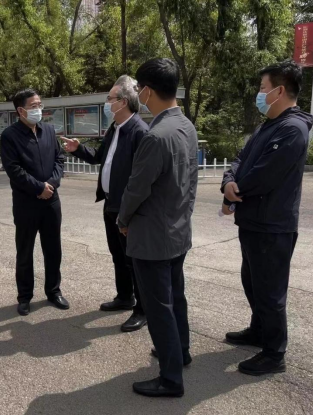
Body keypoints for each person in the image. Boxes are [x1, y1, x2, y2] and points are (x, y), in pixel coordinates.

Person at [221, 60, 313, 376]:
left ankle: (274, 353)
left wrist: (233, 191)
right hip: (253, 221)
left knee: (270, 291)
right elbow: (240, 160)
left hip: (272, 225)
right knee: (253, 282)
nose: (259, 94)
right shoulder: (267, 126)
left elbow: (264, 175)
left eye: (263, 88)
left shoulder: (292, 129)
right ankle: (258, 330)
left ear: (280, 91)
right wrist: (227, 181)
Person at [118, 58, 197, 398]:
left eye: (139, 89)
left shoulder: (155, 136)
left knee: (158, 307)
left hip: (153, 237)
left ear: (148, 91)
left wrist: (123, 220)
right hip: (178, 230)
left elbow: (136, 189)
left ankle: (170, 378)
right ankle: (181, 351)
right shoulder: (186, 126)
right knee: (175, 297)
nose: (138, 94)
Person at [61, 75, 149, 332]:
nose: (106, 103)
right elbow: (99, 157)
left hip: (127, 208)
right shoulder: (115, 128)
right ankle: (125, 297)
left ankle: (142, 309)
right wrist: (78, 149)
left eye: (109, 98)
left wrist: (129, 212)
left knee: (133, 259)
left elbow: (142, 179)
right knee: (118, 255)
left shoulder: (139, 132)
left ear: (123, 102)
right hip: (110, 204)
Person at [0, 89, 69, 316]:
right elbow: (14, 170)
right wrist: (39, 188)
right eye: (33, 106)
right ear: (21, 111)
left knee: (53, 249)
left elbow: (59, 159)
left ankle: (54, 291)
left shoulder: (48, 130)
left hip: (51, 202)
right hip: (26, 203)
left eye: (40, 104)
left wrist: (51, 184)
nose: (38, 109)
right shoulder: (9, 136)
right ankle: (24, 297)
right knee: (25, 251)